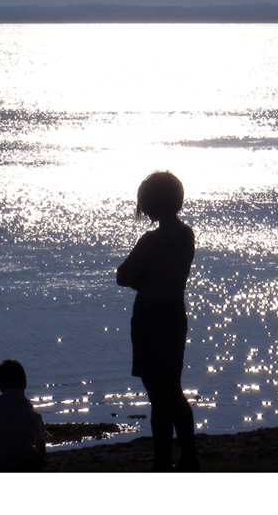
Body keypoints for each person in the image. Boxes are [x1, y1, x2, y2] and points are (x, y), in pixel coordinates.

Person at [116, 171, 198, 471]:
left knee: (158, 395)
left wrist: (144, 282)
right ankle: (189, 457)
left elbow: (123, 275)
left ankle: (162, 461)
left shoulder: (152, 240)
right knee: (173, 389)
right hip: (175, 312)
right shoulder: (186, 235)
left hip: (151, 316)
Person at [0, 359, 47, 472]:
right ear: (25, 382)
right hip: (26, 462)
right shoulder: (28, 408)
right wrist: (41, 462)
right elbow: (40, 438)